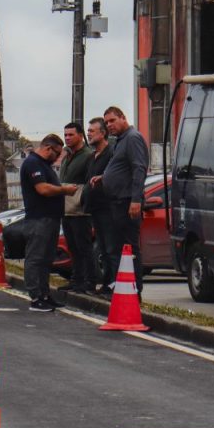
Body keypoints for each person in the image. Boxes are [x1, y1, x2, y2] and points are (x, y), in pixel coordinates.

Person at [20, 134, 78, 312]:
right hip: (39, 218)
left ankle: (45, 294)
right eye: (57, 153)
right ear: (47, 148)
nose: (58, 157)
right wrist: (64, 190)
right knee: (36, 258)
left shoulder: (44, 165)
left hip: (51, 218)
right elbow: (42, 189)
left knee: (46, 259)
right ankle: (36, 296)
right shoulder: (33, 163)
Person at [100, 106, 149, 294]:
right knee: (120, 248)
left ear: (123, 118)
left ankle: (134, 291)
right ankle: (123, 289)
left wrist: (136, 200)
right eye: (106, 123)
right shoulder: (120, 141)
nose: (109, 125)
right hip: (116, 201)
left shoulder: (132, 138)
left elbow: (139, 169)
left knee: (130, 249)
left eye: (112, 121)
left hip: (127, 202)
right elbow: (121, 168)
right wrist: (104, 177)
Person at [58, 122, 93, 294]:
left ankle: (88, 281)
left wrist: (82, 200)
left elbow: (89, 183)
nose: (67, 138)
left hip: (80, 209)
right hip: (66, 209)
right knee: (73, 247)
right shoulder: (67, 156)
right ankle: (76, 279)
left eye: (71, 135)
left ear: (80, 135)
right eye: (65, 135)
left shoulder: (88, 155)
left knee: (83, 247)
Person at [84, 117, 115, 295]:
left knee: (111, 248)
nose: (89, 134)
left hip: (107, 208)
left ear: (103, 133)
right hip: (94, 209)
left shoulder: (111, 153)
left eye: (92, 131)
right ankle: (106, 284)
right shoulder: (92, 157)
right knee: (102, 248)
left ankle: (113, 285)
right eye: (88, 131)